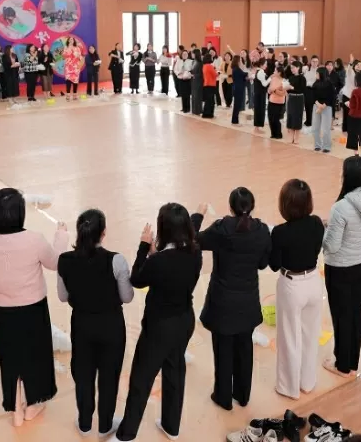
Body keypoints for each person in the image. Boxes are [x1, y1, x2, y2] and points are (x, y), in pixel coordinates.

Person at [0, 189, 69, 426]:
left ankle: (15, 407)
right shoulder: (33, 239)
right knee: (36, 356)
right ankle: (34, 403)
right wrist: (61, 236)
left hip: (3, 309)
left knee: (11, 359)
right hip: (33, 309)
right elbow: (56, 262)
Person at [111, 204, 202, 442]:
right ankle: (172, 427)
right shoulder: (195, 253)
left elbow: (137, 279)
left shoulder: (158, 262)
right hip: (184, 321)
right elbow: (171, 268)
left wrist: (144, 247)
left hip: (159, 327)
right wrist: (155, 254)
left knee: (142, 378)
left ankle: (127, 434)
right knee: (174, 372)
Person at [57, 209, 134, 438]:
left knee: (83, 375)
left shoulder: (65, 260)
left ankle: (84, 423)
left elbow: (62, 296)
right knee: (109, 376)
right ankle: (105, 424)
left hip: (81, 324)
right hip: (111, 325)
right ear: (103, 233)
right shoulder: (116, 260)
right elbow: (127, 297)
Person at [194, 189, 271, 409]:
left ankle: (223, 397)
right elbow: (263, 263)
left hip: (223, 301)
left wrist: (198, 215)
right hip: (248, 300)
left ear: (230, 207)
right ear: (252, 206)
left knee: (223, 349)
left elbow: (193, 239)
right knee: (245, 348)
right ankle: (243, 395)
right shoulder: (262, 230)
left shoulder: (221, 228)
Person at [322, 157, 361, 376]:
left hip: (341, 268)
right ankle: (352, 361)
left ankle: (342, 364)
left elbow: (332, 246)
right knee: (355, 312)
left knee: (341, 315)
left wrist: (324, 232)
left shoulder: (341, 207)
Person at [268, 180, 324, 399]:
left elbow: (274, 264)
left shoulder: (281, 232)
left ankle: (287, 387)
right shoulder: (317, 223)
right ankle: (307, 382)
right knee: (310, 335)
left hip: (292, 285)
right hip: (313, 281)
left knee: (289, 337)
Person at [311, 67, 335, 154]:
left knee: (325, 129)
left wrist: (323, 106)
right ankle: (317, 145)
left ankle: (327, 146)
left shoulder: (330, 84)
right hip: (316, 106)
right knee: (315, 128)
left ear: (321, 74)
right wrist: (318, 105)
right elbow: (313, 96)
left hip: (327, 107)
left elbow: (331, 97)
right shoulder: (315, 84)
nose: (316, 75)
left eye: (317, 73)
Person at [266, 66, 287, 139]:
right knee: (270, 117)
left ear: (279, 72)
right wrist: (271, 90)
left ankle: (278, 134)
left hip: (279, 102)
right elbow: (269, 90)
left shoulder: (284, 81)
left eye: (275, 71)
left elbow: (283, 93)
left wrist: (274, 90)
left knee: (276, 119)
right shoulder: (273, 79)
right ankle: (273, 133)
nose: (274, 72)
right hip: (271, 100)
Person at [252, 59, 270, 131]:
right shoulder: (260, 72)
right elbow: (264, 84)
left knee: (259, 109)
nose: (266, 65)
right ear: (261, 64)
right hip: (259, 94)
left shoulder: (260, 71)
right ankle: (257, 127)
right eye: (265, 64)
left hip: (259, 93)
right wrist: (270, 78)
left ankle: (258, 126)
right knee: (259, 110)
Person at [230, 54, 248, 126]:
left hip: (238, 88)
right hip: (238, 89)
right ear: (237, 61)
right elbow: (244, 74)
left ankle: (235, 120)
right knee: (237, 105)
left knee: (237, 105)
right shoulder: (236, 69)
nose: (241, 61)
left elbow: (243, 77)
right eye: (240, 60)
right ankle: (235, 121)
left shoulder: (236, 68)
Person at [202, 53, 218, 119]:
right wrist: (217, 72)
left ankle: (206, 113)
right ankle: (209, 114)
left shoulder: (204, 66)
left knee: (207, 101)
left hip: (206, 84)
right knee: (210, 101)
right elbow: (215, 75)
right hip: (211, 84)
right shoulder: (209, 66)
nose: (212, 58)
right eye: (211, 57)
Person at [190, 49, 204, 116]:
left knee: (197, 96)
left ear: (196, 54)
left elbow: (201, 74)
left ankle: (198, 111)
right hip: (193, 81)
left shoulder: (200, 63)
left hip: (198, 81)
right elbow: (192, 70)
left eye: (193, 53)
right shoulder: (193, 62)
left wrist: (194, 75)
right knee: (193, 96)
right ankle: (194, 110)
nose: (191, 54)